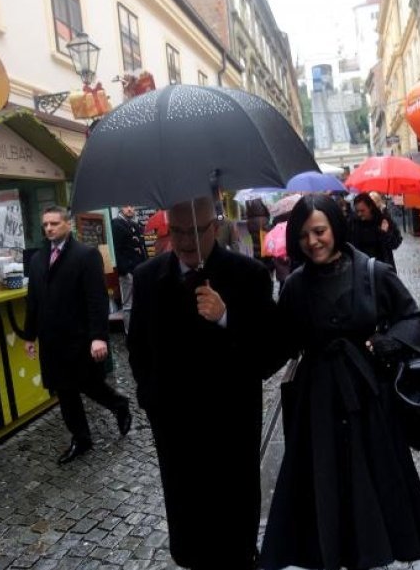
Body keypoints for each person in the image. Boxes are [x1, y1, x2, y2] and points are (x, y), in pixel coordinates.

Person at [260, 194, 420, 570]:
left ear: (334, 229)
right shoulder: (294, 287)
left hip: (368, 398)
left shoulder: (372, 273)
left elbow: (414, 319)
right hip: (316, 407)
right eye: (304, 235)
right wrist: (228, 317)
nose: (313, 241)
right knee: (325, 488)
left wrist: (387, 342)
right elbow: (278, 347)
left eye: (319, 231)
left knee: (370, 488)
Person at [127, 196, 281, 570]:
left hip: (231, 422)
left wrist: (228, 317)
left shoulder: (250, 275)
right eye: (176, 231)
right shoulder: (148, 278)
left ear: (215, 225)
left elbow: (271, 352)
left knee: (233, 519)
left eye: (195, 230)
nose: (184, 241)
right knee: (187, 516)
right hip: (175, 426)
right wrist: (151, 399)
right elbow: (137, 348)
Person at [24, 206, 132, 465]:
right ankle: (81, 438)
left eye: (54, 223)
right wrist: (29, 336)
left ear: (67, 225)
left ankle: (119, 405)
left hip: (79, 336)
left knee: (89, 384)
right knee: (65, 391)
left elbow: (96, 299)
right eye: (46, 224)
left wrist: (99, 336)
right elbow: (34, 300)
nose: (49, 228)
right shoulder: (38, 258)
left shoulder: (85, 255)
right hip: (51, 340)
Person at [110, 205, 148, 332]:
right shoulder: (117, 224)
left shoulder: (133, 224)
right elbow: (117, 250)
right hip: (128, 271)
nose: (130, 209)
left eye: (132, 206)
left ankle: (140, 330)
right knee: (129, 305)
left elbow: (141, 247)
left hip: (139, 269)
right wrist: (124, 270)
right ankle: (130, 333)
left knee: (140, 301)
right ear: (121, 208)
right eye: (127, 206)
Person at [350, 192, 402, 268]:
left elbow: (395, 243)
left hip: (383, 268)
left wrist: (385, 232)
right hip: (362, 269)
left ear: (370, 207)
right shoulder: (353, 223)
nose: (359, 214)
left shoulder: (383, 220)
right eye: (357, 211)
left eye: (362, 211)